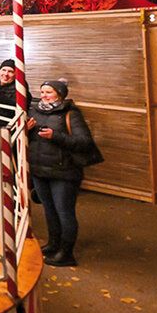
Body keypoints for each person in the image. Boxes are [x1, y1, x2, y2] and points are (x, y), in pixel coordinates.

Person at [26, 79, 93, 267]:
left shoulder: (71, 114)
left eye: (49, 92)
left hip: (63, 171)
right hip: (40, 170)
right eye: (43, 92)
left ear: (60, 94)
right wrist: (26, 130)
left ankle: (66, 252)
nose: (44, 95)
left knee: (64, 211)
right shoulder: (34, 112)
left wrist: (55, 136)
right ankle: (53, 243)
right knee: (49, 210)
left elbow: (84, 141)